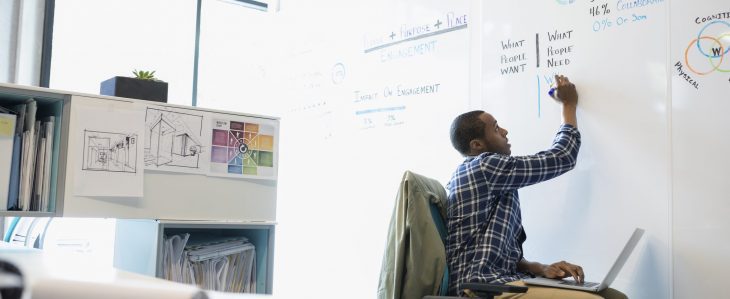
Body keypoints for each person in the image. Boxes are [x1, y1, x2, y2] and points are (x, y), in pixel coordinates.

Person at [445, 75, 626, 299]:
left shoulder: (487, 175)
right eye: (496, 128)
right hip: (480, 288)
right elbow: (563, 157)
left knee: (613, 296)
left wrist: (541, 268)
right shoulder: (484, 167)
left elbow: (496, 254)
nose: (505, 131)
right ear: (477, 145)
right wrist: (568, 105)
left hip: (502, 281)